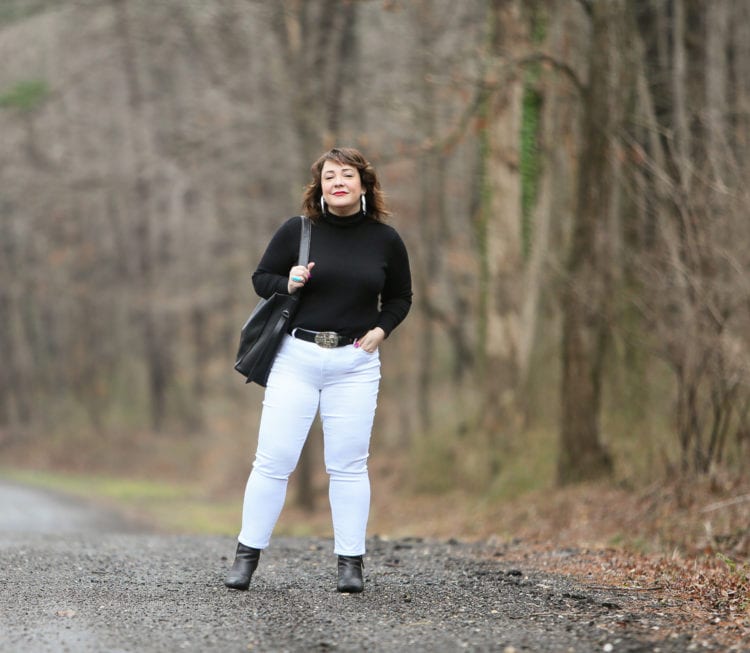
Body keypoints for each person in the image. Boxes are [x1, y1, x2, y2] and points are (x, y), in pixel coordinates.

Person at [225, 147, 412, 593]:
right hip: (297, 359)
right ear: (319, 186)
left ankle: (351, 565)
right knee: (273, 461)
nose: (338, 182)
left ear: (365, 185)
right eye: (330, 176)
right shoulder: (298, 231)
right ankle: (245, 559)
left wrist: (382, 331)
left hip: (355, 363)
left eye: (347, 175)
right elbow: (260, 278)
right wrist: (287, 281)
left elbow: (401, 297)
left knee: (348, 465)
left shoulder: (385, 240)